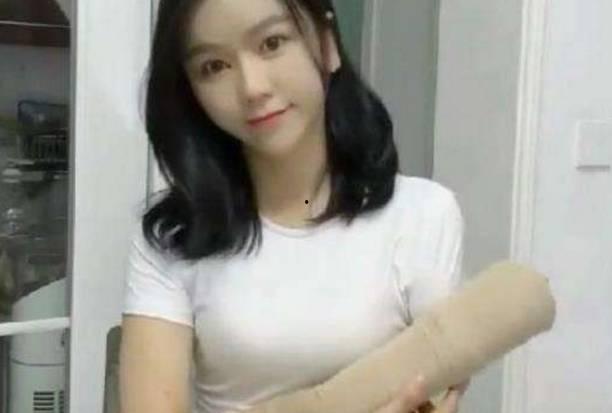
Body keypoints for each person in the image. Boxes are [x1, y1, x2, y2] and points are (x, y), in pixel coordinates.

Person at [118, 0, 470, 412]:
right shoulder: (174, 237)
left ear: (327, 43)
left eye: (271, 43)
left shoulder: (423, 215)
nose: (252, 88)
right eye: (213, 66)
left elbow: (436, 396)